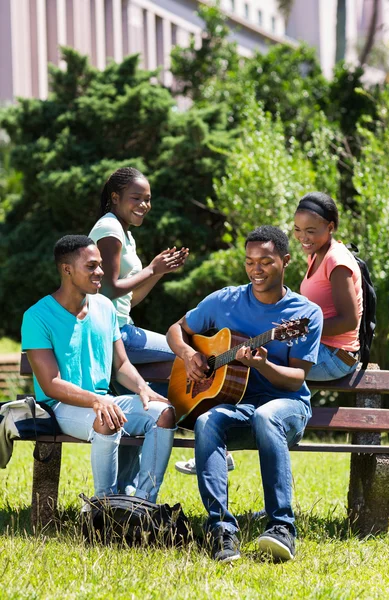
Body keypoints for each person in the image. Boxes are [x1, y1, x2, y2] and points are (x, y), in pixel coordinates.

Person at [166, 226, 323, 562]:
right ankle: (221, 529)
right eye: (250, 261)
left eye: (265, 261)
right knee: (207, 421)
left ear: (286, 261)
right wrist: (188, 354)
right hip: (236, 405)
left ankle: (281, 527)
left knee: (267, 416)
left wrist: (263, 365)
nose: (256, 269)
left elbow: (296, 380)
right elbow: (176, 329)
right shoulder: (225, 300)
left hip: (288, 408)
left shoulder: (304, 314)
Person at [21, 235, 176, 502]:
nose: (100, 272)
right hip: (60, 406)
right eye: (91, 266)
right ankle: (103, 506)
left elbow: (122, 364)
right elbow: (51, 384)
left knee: (164, 414)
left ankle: (141, 505)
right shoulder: (37, 316)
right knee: (106, 419)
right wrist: (97, 400)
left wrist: (143, 389)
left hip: (106, 401)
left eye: (100, 265)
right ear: (67, 269)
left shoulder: (105, 307)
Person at [89, 167, 188, 381]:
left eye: (148, 199)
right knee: (186, 355)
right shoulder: (109, 230)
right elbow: (107, 290)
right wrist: (151, 269)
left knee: (178, 370)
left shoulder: (125, 234)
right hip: (113, 333)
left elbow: (128, 300)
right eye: (136, 198)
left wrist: (159, 272)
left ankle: (127, 382)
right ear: (115, 197)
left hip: (122, 327)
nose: (144, 205)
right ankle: (121, 378)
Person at [294, 192, 362, 381]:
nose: (302, 237)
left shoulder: (336, 260)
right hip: (319, 346)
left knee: (269, 368)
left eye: (310, 230)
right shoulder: (315, 254)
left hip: (337, 356)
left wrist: (303, 329)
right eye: (297, 229)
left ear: (330, 227)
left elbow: (349, 321)